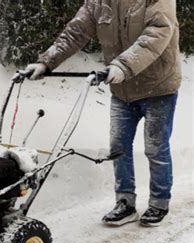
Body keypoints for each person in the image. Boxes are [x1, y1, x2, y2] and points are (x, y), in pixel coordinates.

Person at [25, 1, 181, 227]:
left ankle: (159, 202)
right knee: (118, 148)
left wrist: (123, 66)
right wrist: (46, 62)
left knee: (155, 148)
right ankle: (125, 203)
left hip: (158, 87)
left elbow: (156, 33)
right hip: (122, 89)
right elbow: (75, 32)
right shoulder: (98, 3)